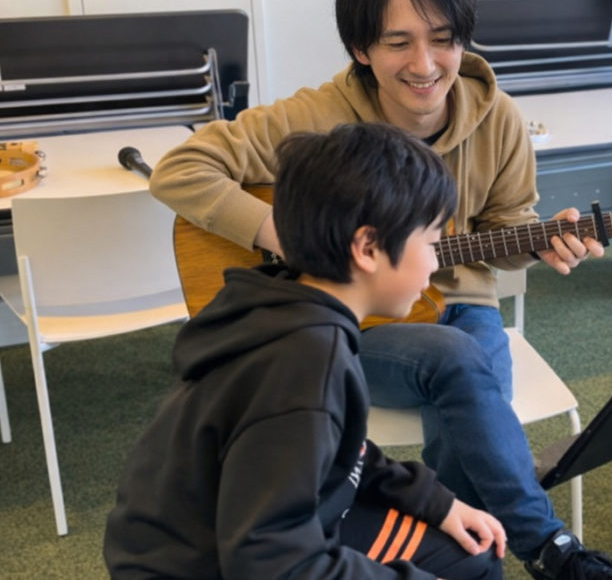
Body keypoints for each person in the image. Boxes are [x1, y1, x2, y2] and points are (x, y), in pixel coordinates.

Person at [150, 0, 612, 580]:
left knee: (470, 387)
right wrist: (286, 233)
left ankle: (462, 550)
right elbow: (179, 170)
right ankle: (547, 549)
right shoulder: (314, 117)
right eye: (397, 42)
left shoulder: (499, 119)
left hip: (457, 303)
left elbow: (505, 227)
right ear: (361, 48)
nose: (425, 64)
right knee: (464, 372)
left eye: (443, 39)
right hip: (346, 318)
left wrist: (540, 241)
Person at [105, 123, 506, 579]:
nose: (436, 263)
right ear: (368, 247)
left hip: (264, 525)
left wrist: (436, 501)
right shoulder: (304, 363)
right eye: (431, 244)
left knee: (473, 557)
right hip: (210, 564)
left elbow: (339, 448)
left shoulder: (294, 310)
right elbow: (274, 563)